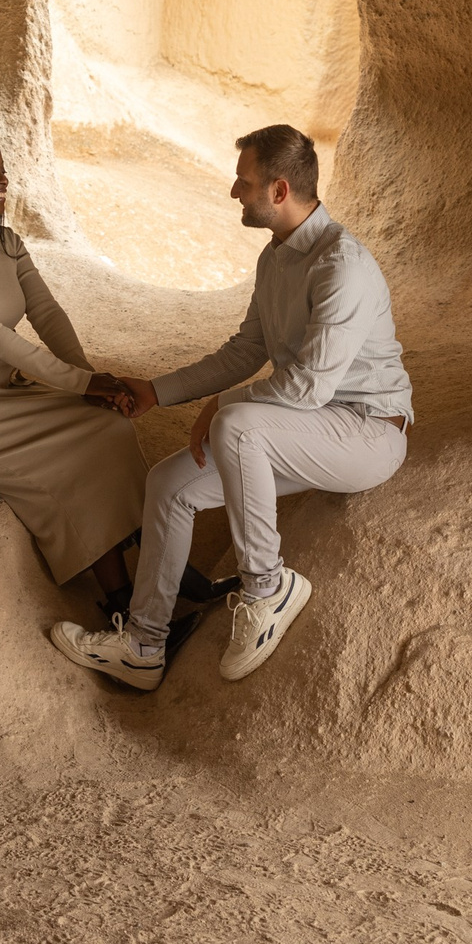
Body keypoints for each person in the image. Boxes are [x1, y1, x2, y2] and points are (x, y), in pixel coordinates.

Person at [50, 124, 411, 690]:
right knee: (170, 483)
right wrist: (158, 390)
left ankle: (268, 588)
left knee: (238, 423)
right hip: (305, 432)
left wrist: (223, 404)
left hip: (367, 434)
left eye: (244, 182)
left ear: (279, 189)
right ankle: (144, 644)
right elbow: (247, 350)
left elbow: (308, 389)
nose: (233, 192)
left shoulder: (342, 265)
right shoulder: (276, 259)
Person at [0, 129, 147, 616]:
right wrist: (81, 383)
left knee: (108, 427)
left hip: (2, 388)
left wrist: (91, 380)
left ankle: (154, 577)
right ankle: (124, 603)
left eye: (3, 170)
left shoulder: (7, 243)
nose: (3, 180)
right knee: (75, 456)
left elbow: (47, 314)